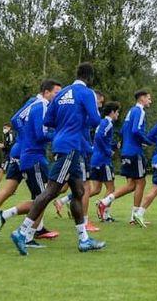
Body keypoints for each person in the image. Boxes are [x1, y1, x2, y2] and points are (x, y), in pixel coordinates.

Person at [9, 62, 106, 255]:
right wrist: (80, 119)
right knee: (51, 191)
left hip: (65, 145)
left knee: (78, 191)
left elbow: (48, 121)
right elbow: (96, 120)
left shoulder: (61, 94)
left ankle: (84, 239)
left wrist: (68, 121)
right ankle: (22, 231)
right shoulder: (86, 93)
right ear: (90, 78)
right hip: (70, 147)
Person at [0, 81, 60, 242]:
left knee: (11, 189)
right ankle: (28, 229)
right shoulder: (37, 103)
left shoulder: (39, 104)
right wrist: (26, 136)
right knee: (40, 195)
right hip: (25, 151)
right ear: (46, 92)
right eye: (55, 93)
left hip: (22, 150)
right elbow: (15, 119)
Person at [97, 90, 153, 225]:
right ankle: (134, 217)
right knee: (141, 182)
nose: (150, 101)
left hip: (126, 152)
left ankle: (105, 202)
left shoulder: (130, 111)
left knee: (131, 185)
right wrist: (146, 141)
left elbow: (123, 131)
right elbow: (136, 130)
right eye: (149, 98)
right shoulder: (140, 111)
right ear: (142, 98)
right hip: (135, 152)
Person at [83, 102, 120, 223]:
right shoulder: (107, 122)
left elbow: (101, 138)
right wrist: (108, 151)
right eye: (117, 112)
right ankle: (105, 214)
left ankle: (73, 202)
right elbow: (99, 137)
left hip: (95, 159)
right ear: (112, 112)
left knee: (96, 189)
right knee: (111, 188)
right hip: (103, 160)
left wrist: (113, 145)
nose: (118, 114)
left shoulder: (102, 123)